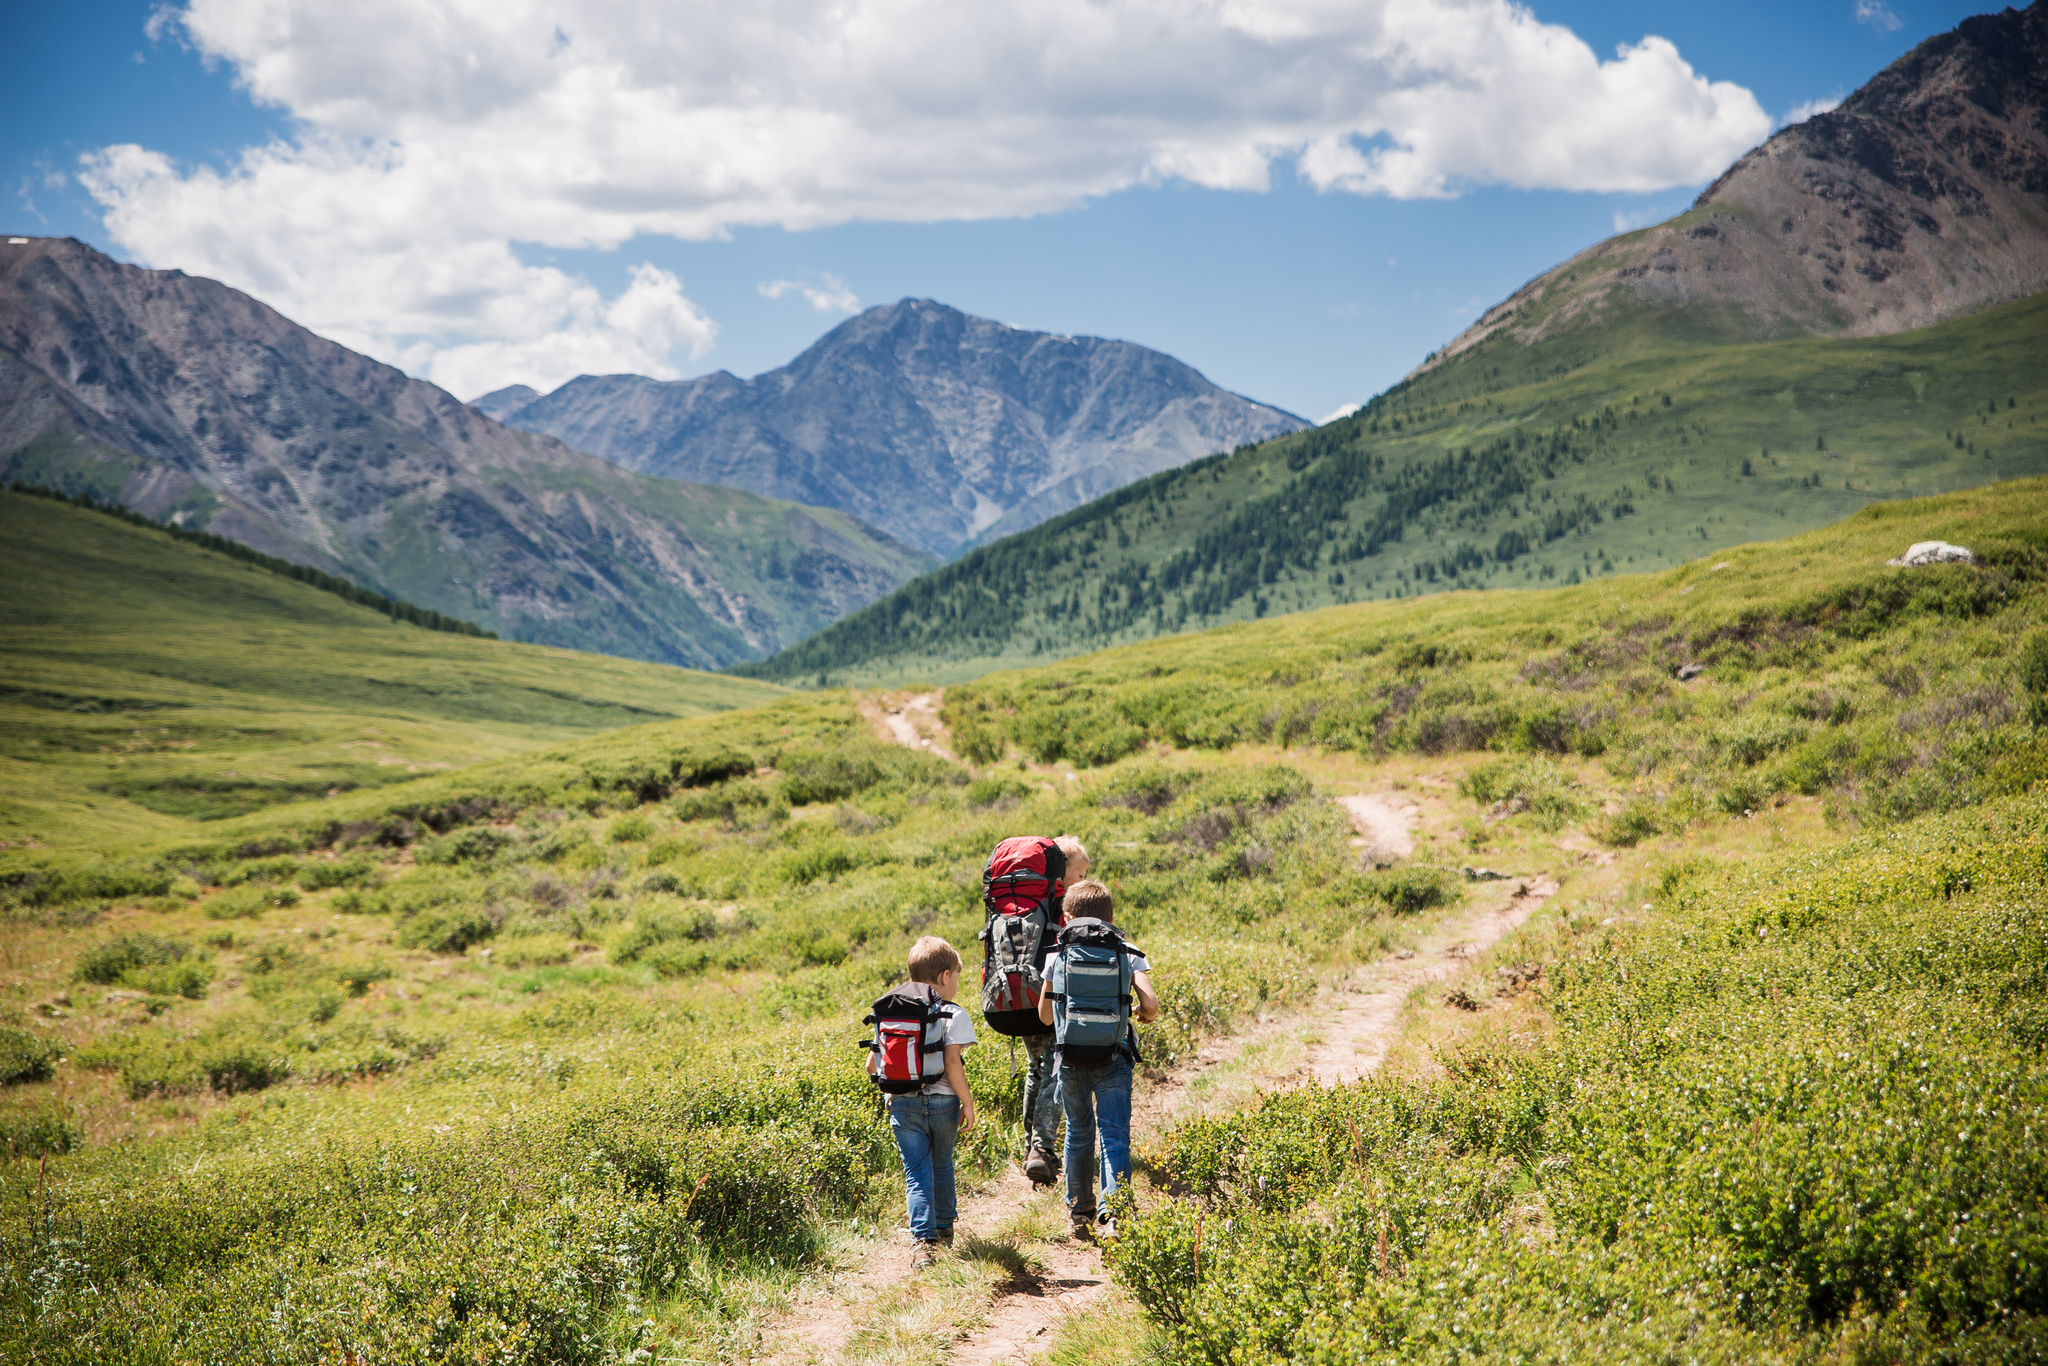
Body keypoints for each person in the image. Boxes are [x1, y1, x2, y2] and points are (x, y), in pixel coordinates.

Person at [1038, 877, 1159, 1240]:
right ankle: (1116, 1214)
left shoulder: (1057, 954)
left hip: (1071, 1060)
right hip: (1113, 1056)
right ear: (1110, 915)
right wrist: (1137, 1011)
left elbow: (1044, 1017)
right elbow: (1151, 1005)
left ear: (1068, 916)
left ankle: (1080, 1210)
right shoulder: (1127, 951)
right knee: (1114, 1133)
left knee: (1077, 1132)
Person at [869, 935, 978, 1266]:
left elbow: (871, 1065)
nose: (956, 985)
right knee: (942, 1163)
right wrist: (967, 1103)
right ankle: (944, 1229)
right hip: (944, 1104)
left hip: (903, 1105)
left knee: (916, 1171)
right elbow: (952, 1064)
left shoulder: (890, 1011)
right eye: (956, 977)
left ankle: (923, 1244)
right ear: (945, 976)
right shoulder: (953, 1014)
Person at [1020, 834, 1089, 1187]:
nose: (1085, 882)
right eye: (1081, 875)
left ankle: (1029, 1146)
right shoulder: (1061, 908)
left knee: (1035, 1070)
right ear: (1062, 877)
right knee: (1054, 1072)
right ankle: (1042, 1149)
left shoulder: (1030, 904)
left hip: (1020, 996)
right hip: (1051, 999)